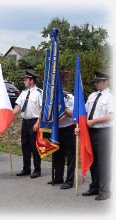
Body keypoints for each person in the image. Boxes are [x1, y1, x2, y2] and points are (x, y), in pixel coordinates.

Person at [77, 71, 112, 201]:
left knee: (104, 162)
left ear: (106, 82)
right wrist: (80, 126)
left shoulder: (110, 97)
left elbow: (111, 115)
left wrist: (93, 121)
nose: (96, 83)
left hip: (104, 132)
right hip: (90, 132)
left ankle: (105, 190)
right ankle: (95, 186)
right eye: (95, 81)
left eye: (98, 81)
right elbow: (83, 113)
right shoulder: (92, 96)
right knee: (93, 160)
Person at [13, 70, 42, 178]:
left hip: (34, 121)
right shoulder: (24, 93)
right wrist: (10, 114)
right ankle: (26, 168)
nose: (24, 81)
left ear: (31, 80)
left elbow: (43, 109)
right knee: (25, 145)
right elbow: (18, 107)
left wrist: (38, 122)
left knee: (34, 147)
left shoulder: (39, 93)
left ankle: (37, 169)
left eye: (26, 79)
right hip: (25, 122)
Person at [47, 92, 75, 189]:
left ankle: (69, 181)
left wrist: (64, 110)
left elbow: (74, 113)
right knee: (57, 155)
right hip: (57, 129)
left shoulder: (69, 97)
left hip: (68, 129)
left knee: (70, 156)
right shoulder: (51, 97)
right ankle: (58, 177)